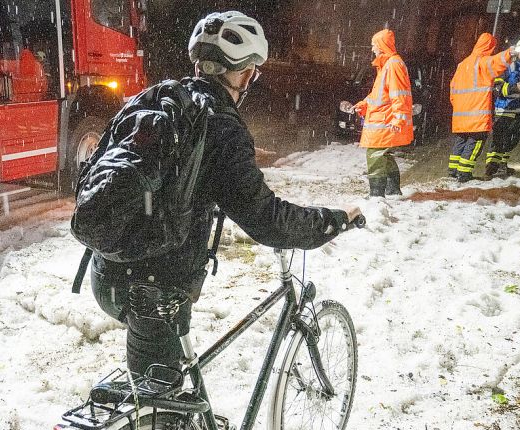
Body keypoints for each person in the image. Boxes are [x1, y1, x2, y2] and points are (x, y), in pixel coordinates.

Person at [88, 11, 362, 377]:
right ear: (247, 73)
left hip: (107, 271)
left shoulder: (158, 99)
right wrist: (333, 220)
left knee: (153, 392)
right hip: (156, 290)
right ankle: (155, 429)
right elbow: (268, 220)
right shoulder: (220, 127)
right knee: (158, 408)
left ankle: (156, 427)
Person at [343, 29, 413, 197]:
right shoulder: (387, 65)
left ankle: (377, 194)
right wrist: (364, 105)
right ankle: (393, 190)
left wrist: (399, 119)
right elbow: (379, 95)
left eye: (374, 45)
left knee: (374, 154)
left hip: (385, 121)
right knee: (384, 155)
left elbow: (400, 95)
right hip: (382, 120)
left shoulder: (393, 65)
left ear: (382, 46)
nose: (372, 48)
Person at [447, 33, 514, 183]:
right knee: (474, 143)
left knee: (461, 141)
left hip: (460, 114)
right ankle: (464, 173)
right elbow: (498, 62)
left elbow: (452, 89)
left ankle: (453, 170)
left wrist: (458, 106)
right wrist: (510, 52)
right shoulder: (482, 63)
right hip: (477, 115)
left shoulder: (462, 64)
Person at [485, 36, 520, 178]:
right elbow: (496, 87)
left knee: (512, 140)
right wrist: (513, 88)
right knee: (499, 141)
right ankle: (491, 168)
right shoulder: (507, 64)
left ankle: (502, 165)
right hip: (505, 110)